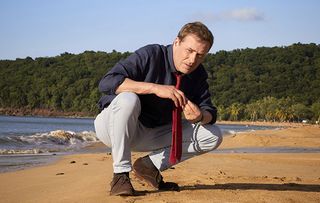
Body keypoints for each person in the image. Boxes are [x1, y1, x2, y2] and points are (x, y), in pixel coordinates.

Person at [94, 21, 223, 196]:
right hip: (113, 127)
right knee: (128, 99)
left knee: (212, 135)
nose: (193, 60)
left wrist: (200, 116)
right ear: (177, 42)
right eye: (190, 51)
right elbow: (107, 82)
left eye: (200, 55)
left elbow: (210, 111)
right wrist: (154, 88)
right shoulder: (151, 54)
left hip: (153, 133)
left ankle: (148, 166)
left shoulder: (198, 73)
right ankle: (120, 175)